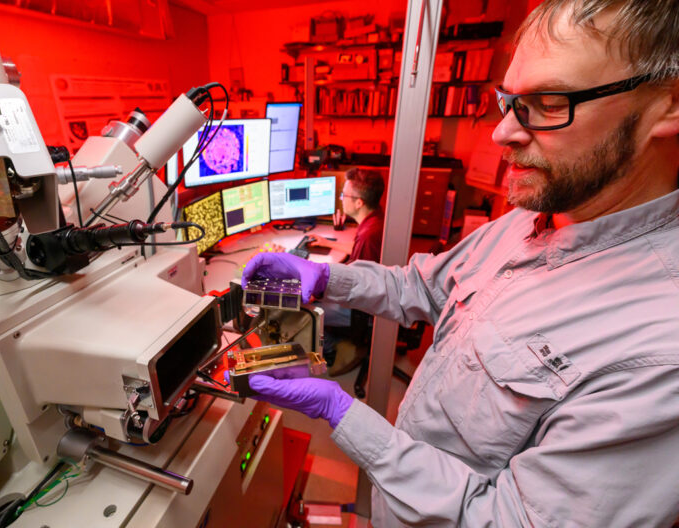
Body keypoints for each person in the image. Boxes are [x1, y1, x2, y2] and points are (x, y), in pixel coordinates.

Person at [241, 1, 679, 526]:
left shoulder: (659, 348)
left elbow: (507, 519)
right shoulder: (531, 219)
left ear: (669, 105)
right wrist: (330, 277)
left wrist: (343, 413)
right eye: (510, 102)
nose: (501, 134)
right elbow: (422, 288)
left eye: (547, 101)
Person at [310, 168, 385, 375]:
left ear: (359, 202)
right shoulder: (374, 221)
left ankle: (336, 346)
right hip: (368, 297)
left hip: (361, 311)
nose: (341, 199)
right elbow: (359, 254)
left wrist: (318, 288)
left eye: (344, 195)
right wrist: (327, 243)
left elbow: (355, 288)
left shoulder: (368, 235)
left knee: (306, 307)